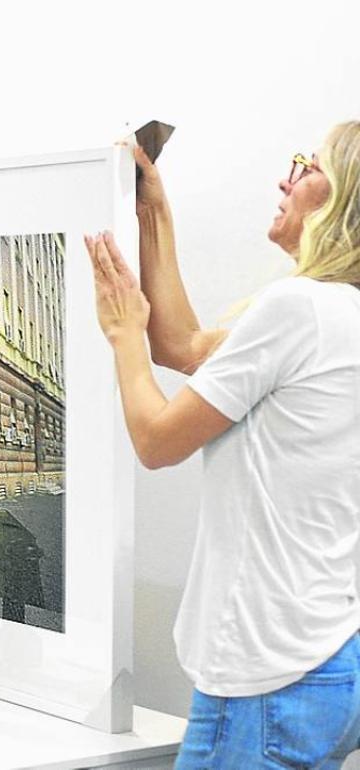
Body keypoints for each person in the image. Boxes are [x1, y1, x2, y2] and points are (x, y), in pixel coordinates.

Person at [87, 125, 360, 768]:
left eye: (307, 165)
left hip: (268, 673)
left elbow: (156, 441)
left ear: (344, 199)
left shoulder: (297, 310)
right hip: (331, 656)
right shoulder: (335, 312)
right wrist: (153, 208)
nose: (285, 178)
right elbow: (182, 346)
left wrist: (123, 334)